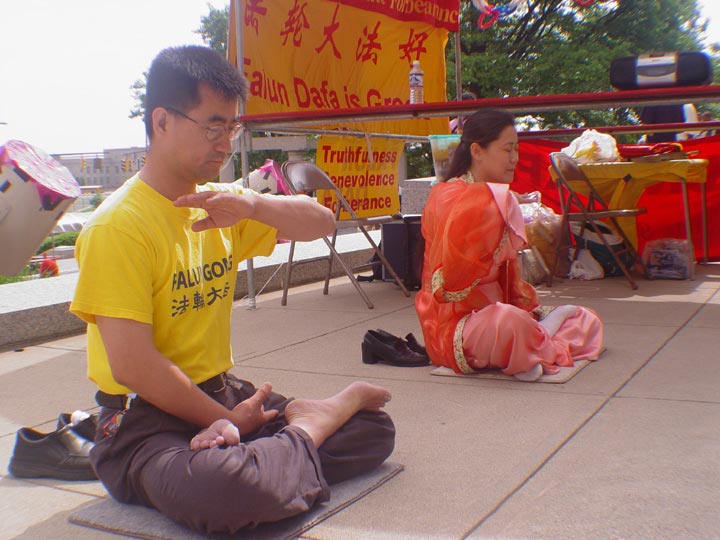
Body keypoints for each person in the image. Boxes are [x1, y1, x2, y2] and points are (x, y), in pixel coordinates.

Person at [69, 45, 395, 534]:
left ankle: (286, 445)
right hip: (144, 423)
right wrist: (226, 420)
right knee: (227, 488)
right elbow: (133, 365)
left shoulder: (221, 203)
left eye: (232, 128)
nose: (224, 144)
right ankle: (308, 429)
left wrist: (256, 207)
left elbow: (323, 222)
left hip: (223, 393)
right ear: (162, 121)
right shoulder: (118, 226)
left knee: (373, 430)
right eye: (213, 126)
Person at [414, 109, 604, 381]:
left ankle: (530, 349)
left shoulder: (493, 196)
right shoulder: (446, 195)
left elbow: (510, 279)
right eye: (507, 149)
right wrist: (501, 200)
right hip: (458, 325)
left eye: (516, 149)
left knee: (587, 320)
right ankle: (536, 344)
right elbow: (452, 281)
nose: (515, 158)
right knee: (508, 323)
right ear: (477, 151)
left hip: (501, 311)